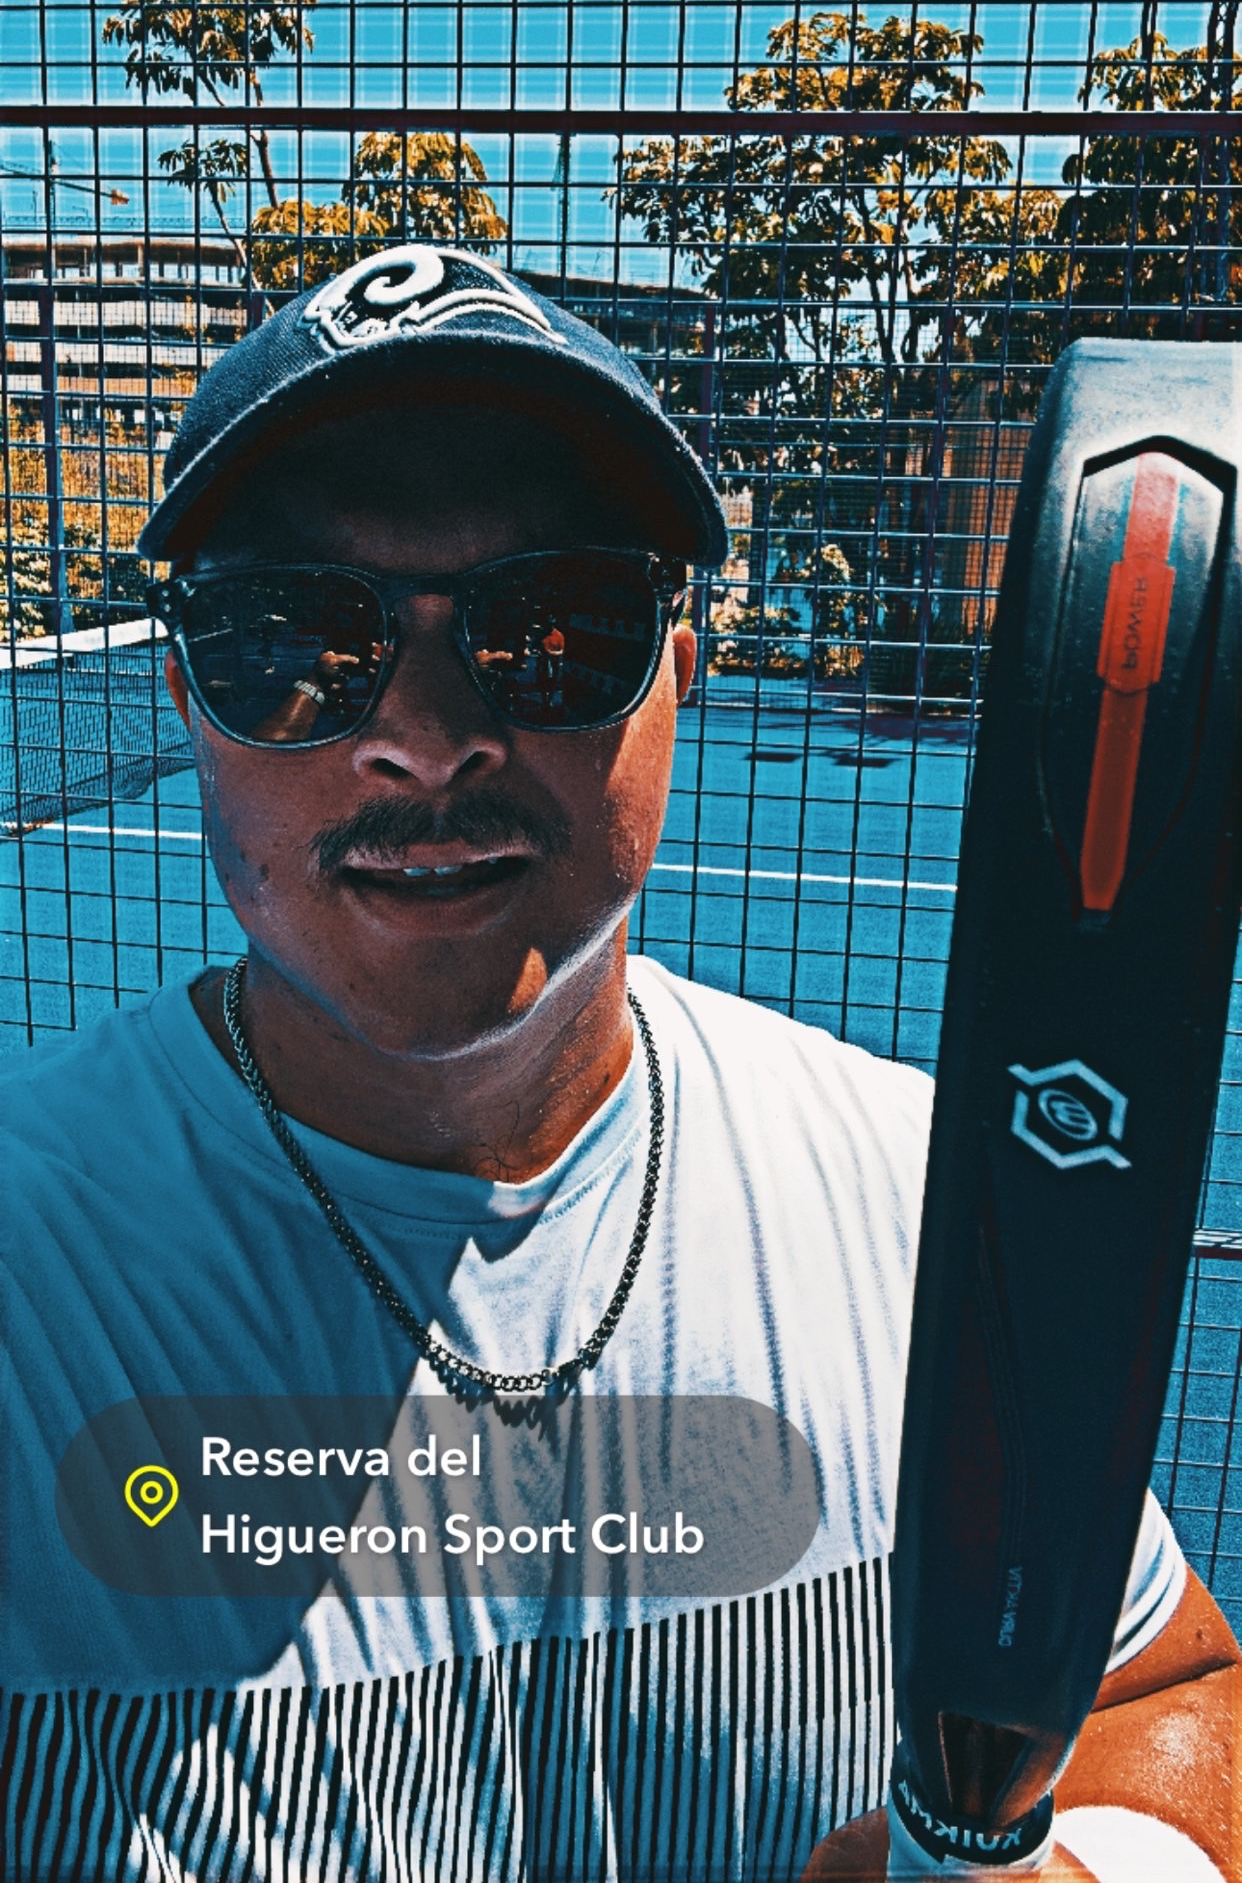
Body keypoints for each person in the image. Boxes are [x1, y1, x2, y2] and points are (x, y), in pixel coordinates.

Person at [0, 243, 1236, 1883]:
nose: (424, 736)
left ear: (680, 672)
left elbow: (1169, 1687)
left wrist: (1100, 1862)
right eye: (287, 638)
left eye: (552, 627)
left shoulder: (918, 1192)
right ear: (182, 698)